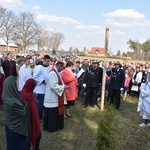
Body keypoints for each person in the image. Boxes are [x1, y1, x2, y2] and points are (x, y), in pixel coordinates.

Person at [2, 75, 30, 150]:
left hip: (17, 129)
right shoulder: (11, 102)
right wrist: (26, 105)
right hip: (16, 130)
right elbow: (23, 112)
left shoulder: (13, 96)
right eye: (16, 84)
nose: (17, 86)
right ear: (11, 86)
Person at [43, 61, 66, 132]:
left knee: (54, 113)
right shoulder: (53, 73)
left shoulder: (56, 73)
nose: (62, 69)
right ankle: (51, 127)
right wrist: (63, 87)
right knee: (52, 114)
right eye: (62, 68)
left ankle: (55, 125)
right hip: (52, 97)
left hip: (53, 96)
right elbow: (53, 86)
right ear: (59, 66)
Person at [21, 78, 41, 150]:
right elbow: (30, 108)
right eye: (33, 87)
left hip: (30, 119)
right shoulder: (27, 95)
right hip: (29, 120)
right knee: (35, 134)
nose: (34, 88)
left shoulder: (25, 91)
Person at [33, 54, 51, 120]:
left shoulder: (48, 67)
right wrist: (42, 81)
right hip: (39, 89)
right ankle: (38, 117)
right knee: (40, 103)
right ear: (43, 60)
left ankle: (42, 115)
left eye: (49, 61)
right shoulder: (39, 67)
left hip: (46, 88)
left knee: (44, 103)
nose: (48, 63)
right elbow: (34, 77)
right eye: (47, 61)